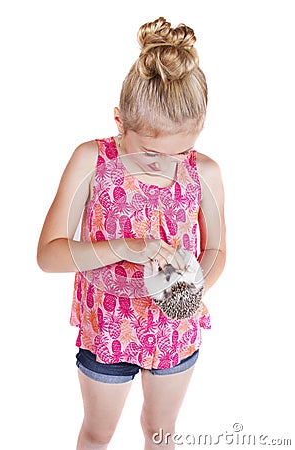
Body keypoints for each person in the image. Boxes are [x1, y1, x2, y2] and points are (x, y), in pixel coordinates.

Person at [37, 16, 226, 450]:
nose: (167, 164)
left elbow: (216, 248)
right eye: (152, 152)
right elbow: (48, 255)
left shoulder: (206, 173)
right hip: (107, 325)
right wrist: (123, 246)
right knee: (98, 433)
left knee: (160, 433)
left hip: (172, 326)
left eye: (181, 150)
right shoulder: (91, 161)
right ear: (120, 122)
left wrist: (193, 287)